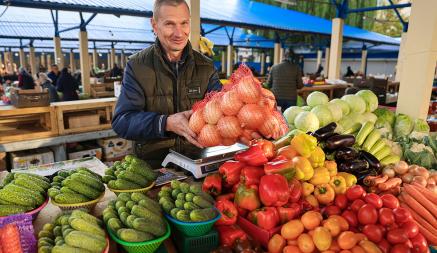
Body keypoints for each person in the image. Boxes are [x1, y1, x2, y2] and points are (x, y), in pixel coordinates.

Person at [112, 0, 222, 167]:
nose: (179, 33)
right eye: (170, 24)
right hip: (153, 168)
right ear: (155, 25)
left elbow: (222, 110)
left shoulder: (205, 67)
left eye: (184, 23)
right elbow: (122, 121)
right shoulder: (137, 66)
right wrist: (166, 123)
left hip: (197, 162)